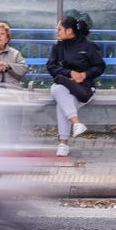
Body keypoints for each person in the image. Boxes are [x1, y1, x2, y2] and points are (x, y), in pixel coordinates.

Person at [46, 16, 106, 157]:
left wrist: (84, 74)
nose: (57, 32)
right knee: (59, 90)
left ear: (69, 31)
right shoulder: (58, 46)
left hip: (83, 88)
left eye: (59, 29)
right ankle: (76, 124)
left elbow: (100, 66)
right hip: (64, 84)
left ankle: (63, 143)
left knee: (61, 102)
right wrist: (70, 73)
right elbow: (51, 67)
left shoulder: (88, 46)